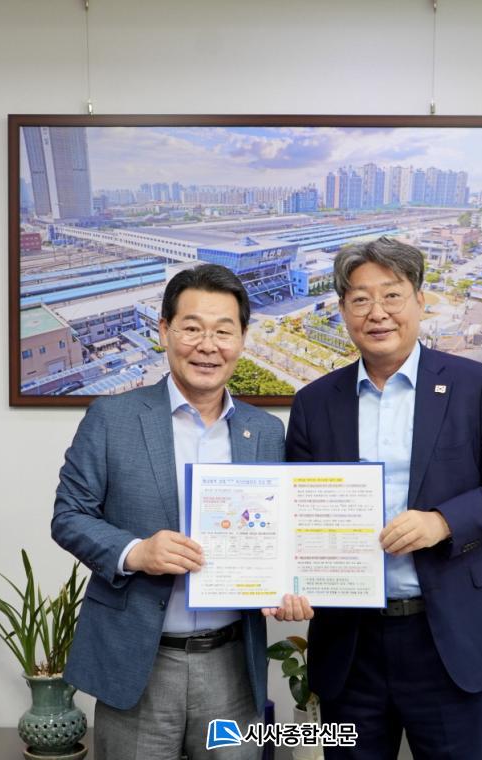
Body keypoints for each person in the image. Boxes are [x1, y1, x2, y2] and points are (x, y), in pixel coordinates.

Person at [285, 237, 482, 760]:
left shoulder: (476, 385)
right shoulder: (314, 403)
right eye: (360, 299)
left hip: (446, 636)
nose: (377, 312)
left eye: (392, 295)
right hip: (350, 644)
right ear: (344, 310)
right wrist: (287, 579)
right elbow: (296, 515)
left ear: (420, 301)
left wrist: (442, 522)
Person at [52, 263, 310, 760]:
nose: (207, 346)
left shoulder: (265, 432)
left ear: (242, 339)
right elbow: (69, 515)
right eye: (192, 328)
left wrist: (291, 585)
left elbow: (280, 534)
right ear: (165, 331)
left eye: (223, 331)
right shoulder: (112, 418)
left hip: (232, 665)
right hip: (139, 661)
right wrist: (135, 552)